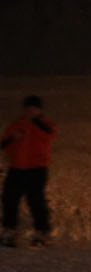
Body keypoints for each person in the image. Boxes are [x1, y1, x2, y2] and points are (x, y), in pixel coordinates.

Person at [1, 95, 57, 247]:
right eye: (28, 108)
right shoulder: (16, 125)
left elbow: (50, 133)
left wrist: (35, 120)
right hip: (17, 168)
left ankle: (42, 232)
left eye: (34, 108)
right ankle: (9, 230)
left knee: (36, 200)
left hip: (37, 168)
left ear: (39, 110)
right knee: (9, 199)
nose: (30, 111)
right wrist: (13, 138)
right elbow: (4, 145)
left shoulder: (44, 124)